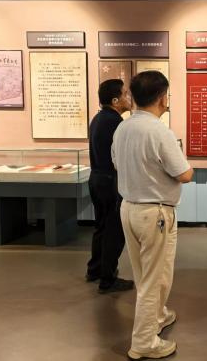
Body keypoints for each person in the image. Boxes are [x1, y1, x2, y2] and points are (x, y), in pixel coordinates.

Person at [112, 71, 194, 360]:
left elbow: (116, 163)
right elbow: (184, 174)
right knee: (153, 277)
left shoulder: (123, 128)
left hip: (129, 208)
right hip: (154, 212)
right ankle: (144, 341)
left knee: (144, 273)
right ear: (162, 97)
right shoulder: (160, 131)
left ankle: (157, 316)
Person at [86, 78, 134, 294]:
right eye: (125, 94)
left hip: (96, 179)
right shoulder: (116, 123)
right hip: (110, 182)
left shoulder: (98, 118)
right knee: (114, 231)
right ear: (115, 100)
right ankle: (108, 279)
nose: (128, 97)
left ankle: (95, 269)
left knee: (101, 227)